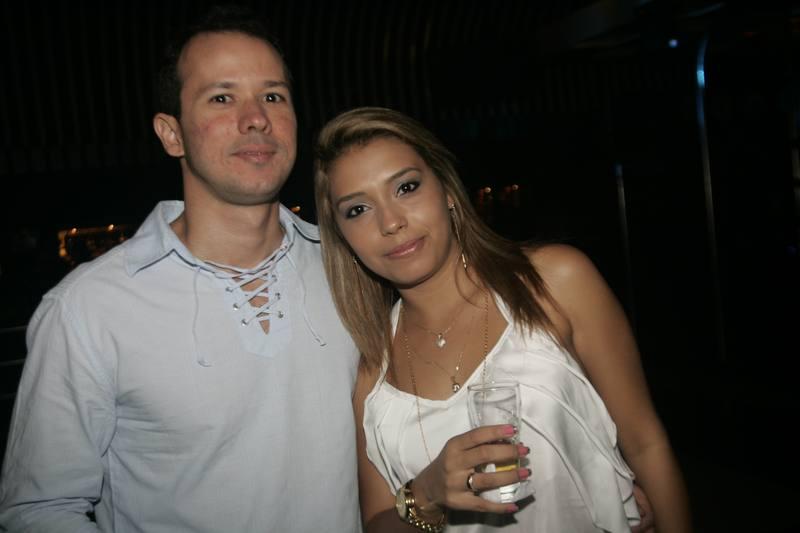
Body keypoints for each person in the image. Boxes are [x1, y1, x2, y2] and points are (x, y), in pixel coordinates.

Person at [0, 7, 361, 532]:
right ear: (172, 135)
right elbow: (39, 509)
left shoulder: (349, 268)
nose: (256, 118)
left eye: (273, 96)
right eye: (222, 98)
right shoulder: (89, 309)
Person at [313, 107, 691, 532]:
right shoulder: (372, 371)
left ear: (448, 190)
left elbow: (646, 443)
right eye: (358, 209)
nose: (391, 222)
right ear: (342, 237)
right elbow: (378, 521)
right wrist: (427, 494)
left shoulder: (553, 283)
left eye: (406, 187)